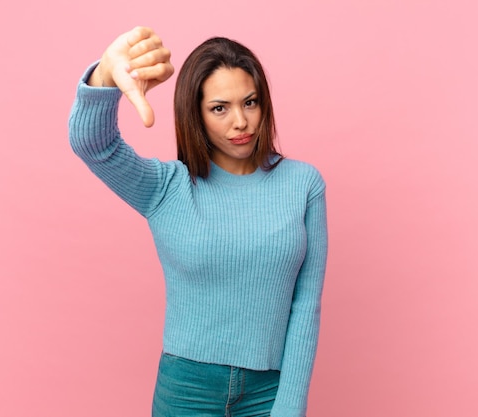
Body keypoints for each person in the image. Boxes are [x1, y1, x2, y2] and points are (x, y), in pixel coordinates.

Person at [69, 26, 328, 417]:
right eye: (220, 108)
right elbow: (92, 144)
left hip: (270, 392)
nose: (240, 121)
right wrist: (105, 75)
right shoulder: (166, 187)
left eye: (251, 102)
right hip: (186, 391)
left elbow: (305, 304)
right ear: (196, 113)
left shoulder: (303, 184)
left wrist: (290, 404)